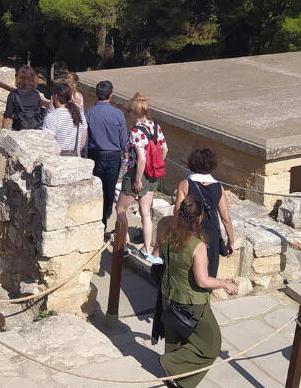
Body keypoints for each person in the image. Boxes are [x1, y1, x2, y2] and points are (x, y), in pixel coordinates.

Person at [156, 193, 236, 388]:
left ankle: (175, 380)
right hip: (191, 302)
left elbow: (156, 255)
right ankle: (171, 364)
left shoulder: (165, 229)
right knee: (211, 344)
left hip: (168, 294)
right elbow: (202, 281)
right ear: (200, 217)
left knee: (175, 340)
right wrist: (225, 283)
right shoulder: (196, 245)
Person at [173, 148, 235, 281]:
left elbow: (177, 212)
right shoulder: (218, 187)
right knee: (209, 273)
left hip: (190, 232)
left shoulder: (185, 185)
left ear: (192, 163)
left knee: (188, 271)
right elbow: (225, 218)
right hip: (211, 235)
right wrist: (231, 241)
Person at [120, 93, 168, 261]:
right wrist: (156, 165)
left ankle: (122, 246)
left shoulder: (136, 131)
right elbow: (165, 149)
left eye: (128, 111)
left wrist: (138, 179)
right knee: (145, 212)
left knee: (120, 209)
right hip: (152, 173)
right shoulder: (155, 126)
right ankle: (146, 249)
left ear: (134, 111)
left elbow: (141, 158)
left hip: (137, 173)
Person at [86, 80, 129, 225]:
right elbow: (123, 139)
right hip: (113, 155)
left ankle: (96, 215)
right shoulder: (118, 114)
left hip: (95, 154)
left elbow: (86, 136)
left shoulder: (89, 113)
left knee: (96, 187)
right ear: (111, 95)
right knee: (109, 188)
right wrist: (126, 156)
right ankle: (107, 214)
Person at [44, 82, 86, 157]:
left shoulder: (52, 116)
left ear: (55, 96)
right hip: (76, 159)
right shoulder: (79, 115)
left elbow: (48, 144)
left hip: (59, 160)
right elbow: (82, 142)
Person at [1, 66, 46, 131]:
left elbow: (7, 118)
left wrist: (3, 131)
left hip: (18, 129)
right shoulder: (36, 95)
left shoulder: (13, 95)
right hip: (33, 130)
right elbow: (38, 113)